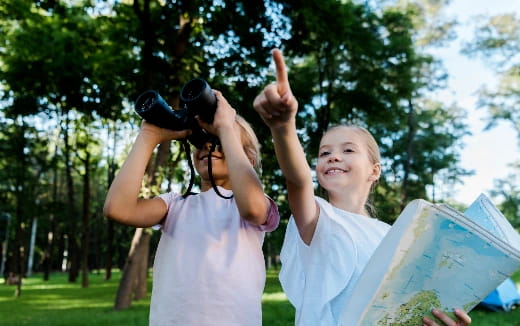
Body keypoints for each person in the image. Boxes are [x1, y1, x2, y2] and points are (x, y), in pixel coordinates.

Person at [253, 49, 472, 326]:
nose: (333, 156)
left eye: (348, 150)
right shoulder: (318, 219)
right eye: (324, 153)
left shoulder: (393, 235)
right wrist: (283, 128)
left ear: (374, 170)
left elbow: (403, 308)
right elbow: (297, 182)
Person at [104, 89, 280, 326]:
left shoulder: (250, 203)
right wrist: (148, 135)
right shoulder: (174, 205)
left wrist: (226, 127)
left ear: (246, 158)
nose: (209, 146)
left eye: (220, 142)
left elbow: (253, 208)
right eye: (203, 140)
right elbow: (118, 208)